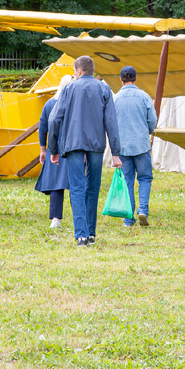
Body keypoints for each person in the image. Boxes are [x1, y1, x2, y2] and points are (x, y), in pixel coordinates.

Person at [48, 56, 121, 246]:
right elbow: (111, 122)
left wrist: (53, 149)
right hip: (96, 145)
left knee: (77, 188)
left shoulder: (69, 88)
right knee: (93, 189)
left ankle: (80, 235)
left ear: (78, 71)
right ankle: (91, 234)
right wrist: (116, 153)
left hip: (73, 144)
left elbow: (53, 119)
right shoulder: (104, 88)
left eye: (74, 71)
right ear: (92, 70)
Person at [114, 66, 157, 227]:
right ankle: (143, 210)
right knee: (145, 178)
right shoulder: (144, 96)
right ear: (135, 78)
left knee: (127, 182)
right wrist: (147, 131)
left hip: (123, 147)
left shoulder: (116, 98)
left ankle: (127, 219)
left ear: (121, 79)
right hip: (141, 144)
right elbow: (152, 119)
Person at [35, 75, 72, 229]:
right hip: (72, 147)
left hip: (55, 148)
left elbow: (43, 127)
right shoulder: (74, 106)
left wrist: (43, 149)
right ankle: (80, 217)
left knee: (57, 184)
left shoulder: (50, 104)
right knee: (77, 184)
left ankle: (55, 219)